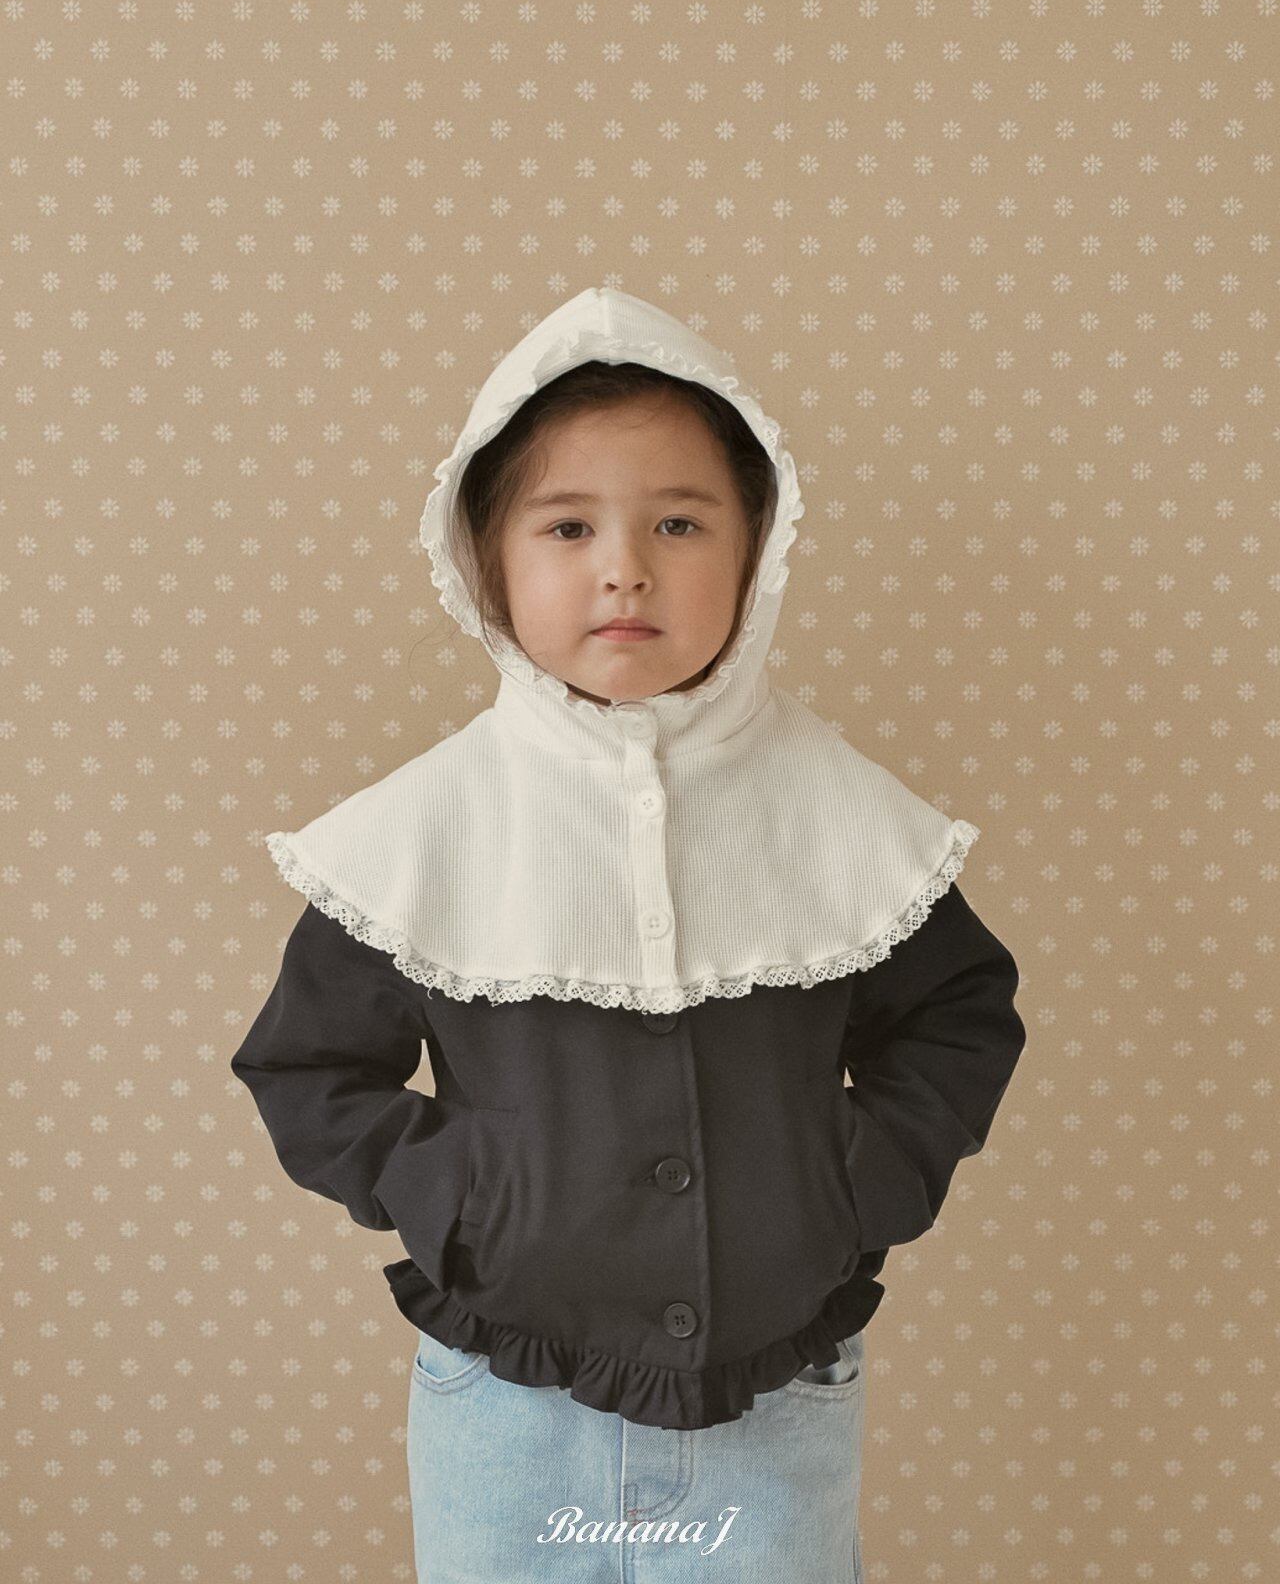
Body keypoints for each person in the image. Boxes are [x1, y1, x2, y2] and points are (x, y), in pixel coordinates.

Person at [230, 286, 1027, 1583]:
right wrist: (462, 1199)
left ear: (757, 547)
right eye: (568, 525)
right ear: (488, 560)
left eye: (678, 522)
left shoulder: (834, 805)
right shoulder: (427, 825)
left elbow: (960, 1015)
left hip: (779, 1402)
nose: (625, 567)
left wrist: (853, 1185)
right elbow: (306, 1067)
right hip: (506, 1410)